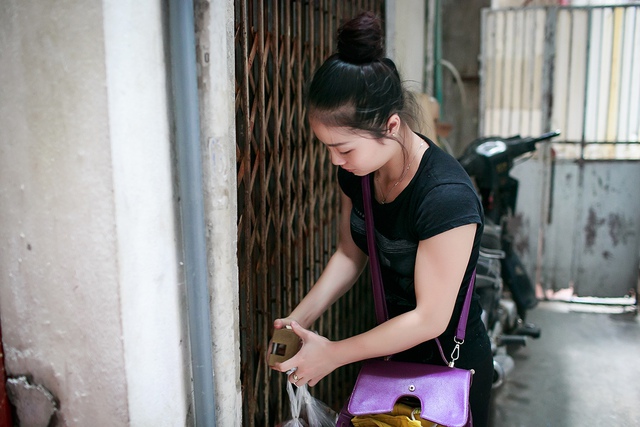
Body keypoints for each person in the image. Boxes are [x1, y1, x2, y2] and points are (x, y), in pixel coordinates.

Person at [271, 11, 493, 426]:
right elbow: (349, 254)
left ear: (391, 125)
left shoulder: (445, 198)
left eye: (344, 148)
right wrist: (298, 320)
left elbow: (430, 318)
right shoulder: (358, 174)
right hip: (389, 357)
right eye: (327, 148)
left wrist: (333, 354)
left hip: (451, 370)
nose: (335, 161)